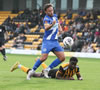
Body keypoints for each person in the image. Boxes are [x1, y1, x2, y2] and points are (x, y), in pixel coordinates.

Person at [26, 3, 65, 80]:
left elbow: (58, 23)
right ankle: (32, 71)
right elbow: (46, 28)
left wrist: (60, 28)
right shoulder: (46, 19)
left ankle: (47, 69)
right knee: (44, 58)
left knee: (62, 57)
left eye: (52, 10)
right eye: (49, 11)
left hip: (55, 42)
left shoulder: (55, 16)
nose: (51, 12)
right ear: (46, 12)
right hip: (47, 42)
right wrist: (52, 24)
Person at [10, 57, 83, 80]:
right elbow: (58, 77)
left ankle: (40, 61)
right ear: (69, 62)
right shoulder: (63, 67)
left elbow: (78, 75)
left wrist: (80, 78)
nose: (73, 66)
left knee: (47, 69)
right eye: (72, 64)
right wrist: (68, 78)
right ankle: (19, 66)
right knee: (34, 75)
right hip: (53, 74)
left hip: (52, 71)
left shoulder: (77, 67)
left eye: (75, 64)